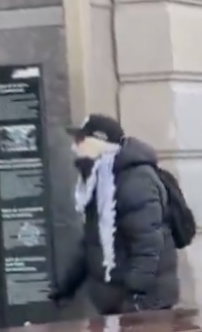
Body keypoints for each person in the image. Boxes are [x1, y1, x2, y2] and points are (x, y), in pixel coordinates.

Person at [51, 114, 181, 314]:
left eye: (80, 141)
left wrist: (136, 297)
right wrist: (67, 286)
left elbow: (147, 245)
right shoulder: (98, 181)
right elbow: (92, 244)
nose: (73, 148)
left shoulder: (134, 181)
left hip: (143, 305)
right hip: (116, 303)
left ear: (99, 143)